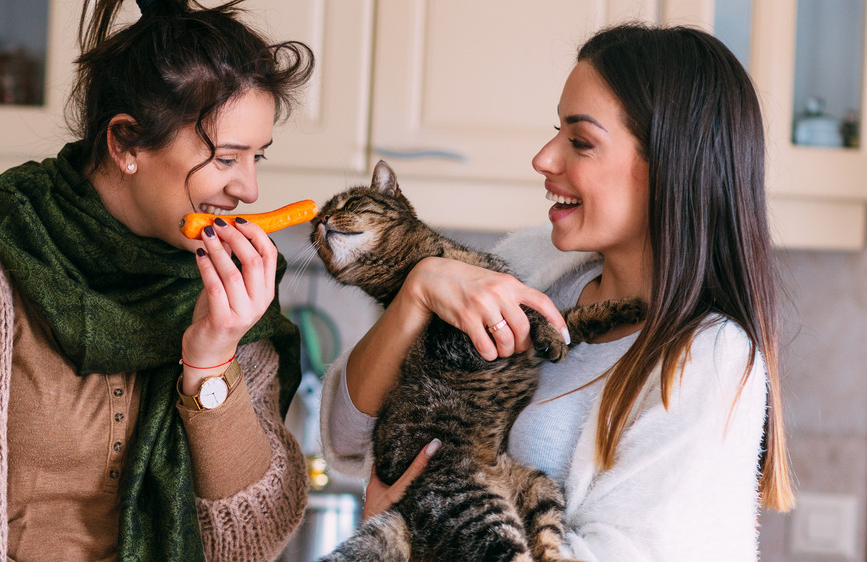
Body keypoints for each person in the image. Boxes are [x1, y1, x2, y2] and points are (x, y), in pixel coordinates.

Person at [320, 23, 794, 561]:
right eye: (556, 132)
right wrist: (416, 292)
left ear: (670, 166)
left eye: (581, 141)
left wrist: (412, 534)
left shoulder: (708, 358)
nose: (543, 159)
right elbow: (348, 435)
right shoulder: (531, 267)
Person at [0, 0, 313, 560]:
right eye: (225, 158)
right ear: (125, 142)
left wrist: (212, 360)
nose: (247, 190)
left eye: (257, 159)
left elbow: (250, 538)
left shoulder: (228, 293)